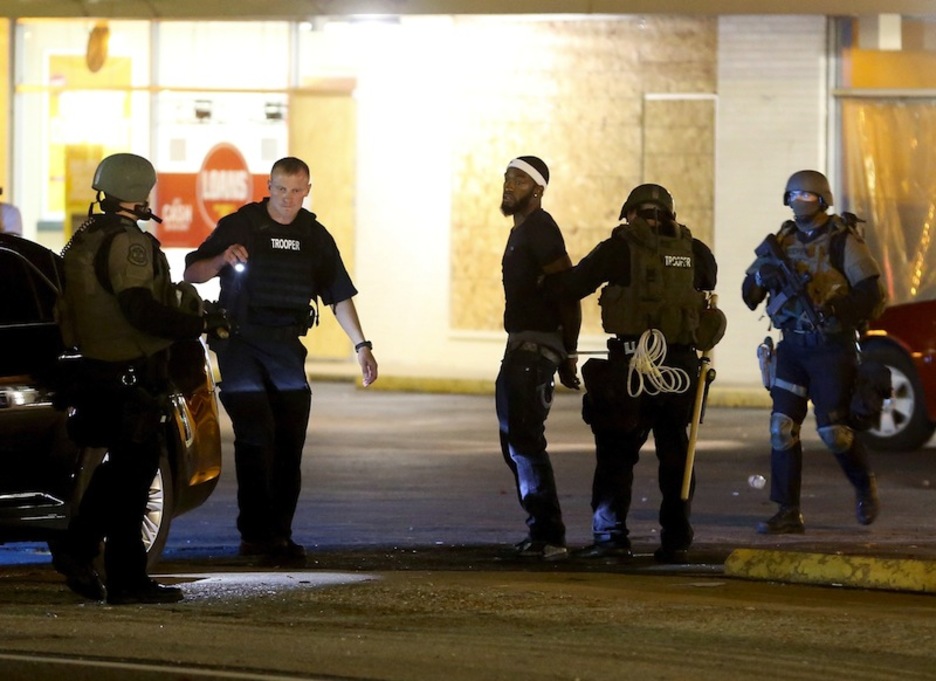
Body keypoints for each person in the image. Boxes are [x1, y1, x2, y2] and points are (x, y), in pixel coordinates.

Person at [183, 156, 377, 565]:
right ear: (269, 187)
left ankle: (280, 536)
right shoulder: (242, 225)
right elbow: (193, 273)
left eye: (297, 191)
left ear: (308, 191)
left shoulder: (314, 236)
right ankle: (255, 537)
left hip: (286, 348)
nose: (289, 198)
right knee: (256, 436)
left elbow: (339, 296)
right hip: (240, 345)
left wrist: (362, 346)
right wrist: (221, 260)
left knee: (289, 443)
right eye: (282, 189)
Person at [54, 153, 227, 604]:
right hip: (128, 373)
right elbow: (139, 308)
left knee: (124, 472)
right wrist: (197, 324)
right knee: (133, 479)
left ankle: (79, 548)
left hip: (100, 369)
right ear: (137, 192)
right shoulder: (127, 243)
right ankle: (124, 579)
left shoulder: (88, 236)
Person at [543, 183, 722, 564]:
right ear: (670, 215)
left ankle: (611, 538)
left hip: (632, 368)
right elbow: (708, 282)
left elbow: (572, 285)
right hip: (680, 368)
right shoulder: (696, 250)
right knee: (677, 455)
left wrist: (542, 278)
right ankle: (676, 540)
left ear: (631, 214)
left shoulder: (619, 248)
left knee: (616, 454)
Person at [742, 169, 886, 534]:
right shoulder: (783, 239)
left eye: (807, 196)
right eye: (794, 196)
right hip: (793, 346)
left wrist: (837, 309)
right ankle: (787, 511)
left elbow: (871, 293)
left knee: (834, 431)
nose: (800, 202)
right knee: (781, 428)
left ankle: (864, 486)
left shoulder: (841, 240)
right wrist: (761, 277)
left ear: (822, 200)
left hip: (831, 347)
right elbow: (749, 294)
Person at [496, 155, 581, 561]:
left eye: (519, 180)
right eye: (508, 178)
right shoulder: (521, 231)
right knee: (515, 441)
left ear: (538, 189)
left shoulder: (541, 228)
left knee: (525, 441)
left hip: (535, 352)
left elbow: (569, 290)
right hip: (520, 348)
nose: (509, 185)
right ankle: (540, 532)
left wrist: (569, 352)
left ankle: (550, 536)